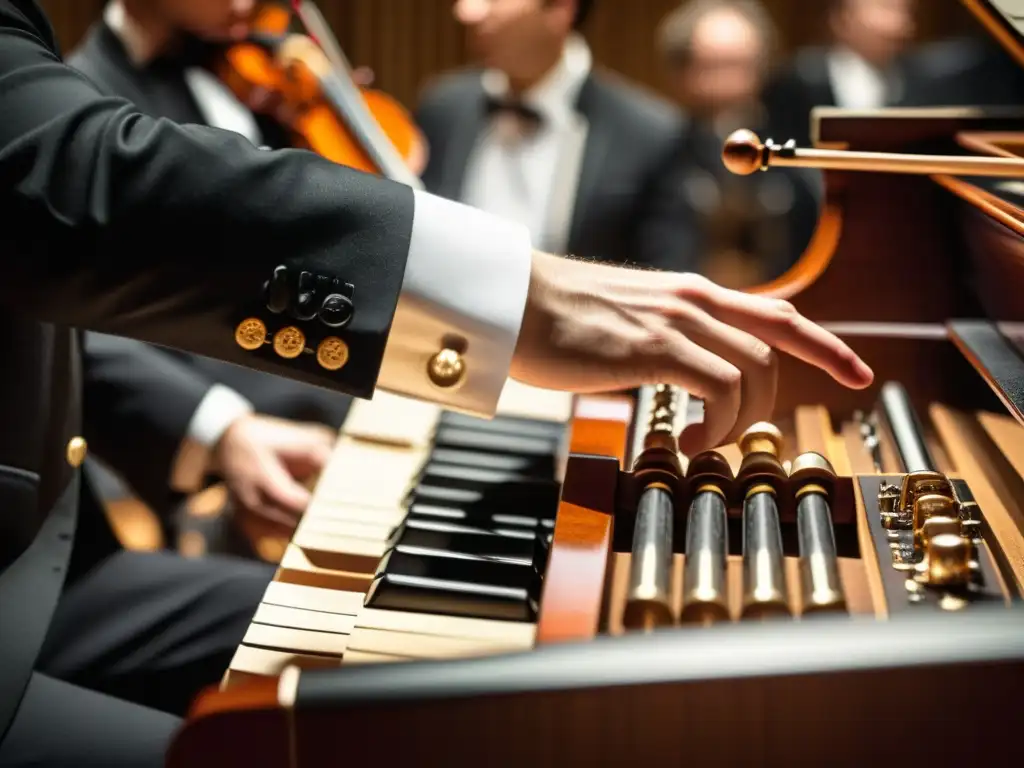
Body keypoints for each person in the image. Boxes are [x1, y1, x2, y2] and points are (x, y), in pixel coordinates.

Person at [0, 0, 873, 765]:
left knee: (453, 678)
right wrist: (522, 299)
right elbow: (65, 184)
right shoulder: (446, 102)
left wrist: (224, 431)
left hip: (65, 572)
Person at [66, 0, 360, 549]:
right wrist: (221, 429)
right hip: (249, 448)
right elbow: (86, 326)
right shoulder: (84, 103)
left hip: (347, 395)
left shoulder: (262, 71)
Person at [415, 0, 701, 271]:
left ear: (561, 8)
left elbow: (664, 283)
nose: (467, 10)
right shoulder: (442, 107)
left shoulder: (651, 135)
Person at [656, 0, 820, 287]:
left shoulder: (791, 159)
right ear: (682, 71)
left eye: (740, 65)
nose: (728, 81)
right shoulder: (658, 154)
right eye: (712, 66)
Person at [763, 0, 917, 148]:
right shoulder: (801, 77)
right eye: (886, 8)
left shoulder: (917, 79)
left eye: (905, 11)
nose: (899, 24)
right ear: (843, 18)